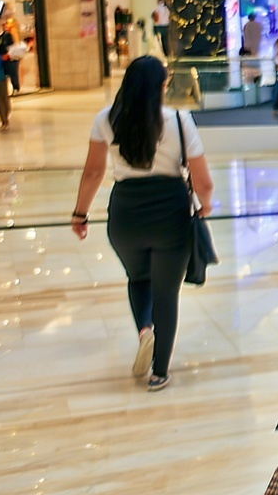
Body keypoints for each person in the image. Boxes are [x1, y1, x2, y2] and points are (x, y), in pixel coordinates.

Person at [71, 56, 214, 392]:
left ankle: (144, 330)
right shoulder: (179, 120)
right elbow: (203, 181)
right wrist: (205, 206)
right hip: (171, 214)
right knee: (167, 292)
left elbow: (93, 172)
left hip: (125, 215)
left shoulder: (105, 120)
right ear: (162, 86)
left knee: (138, 278)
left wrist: (80, 214)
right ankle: (159, 372)